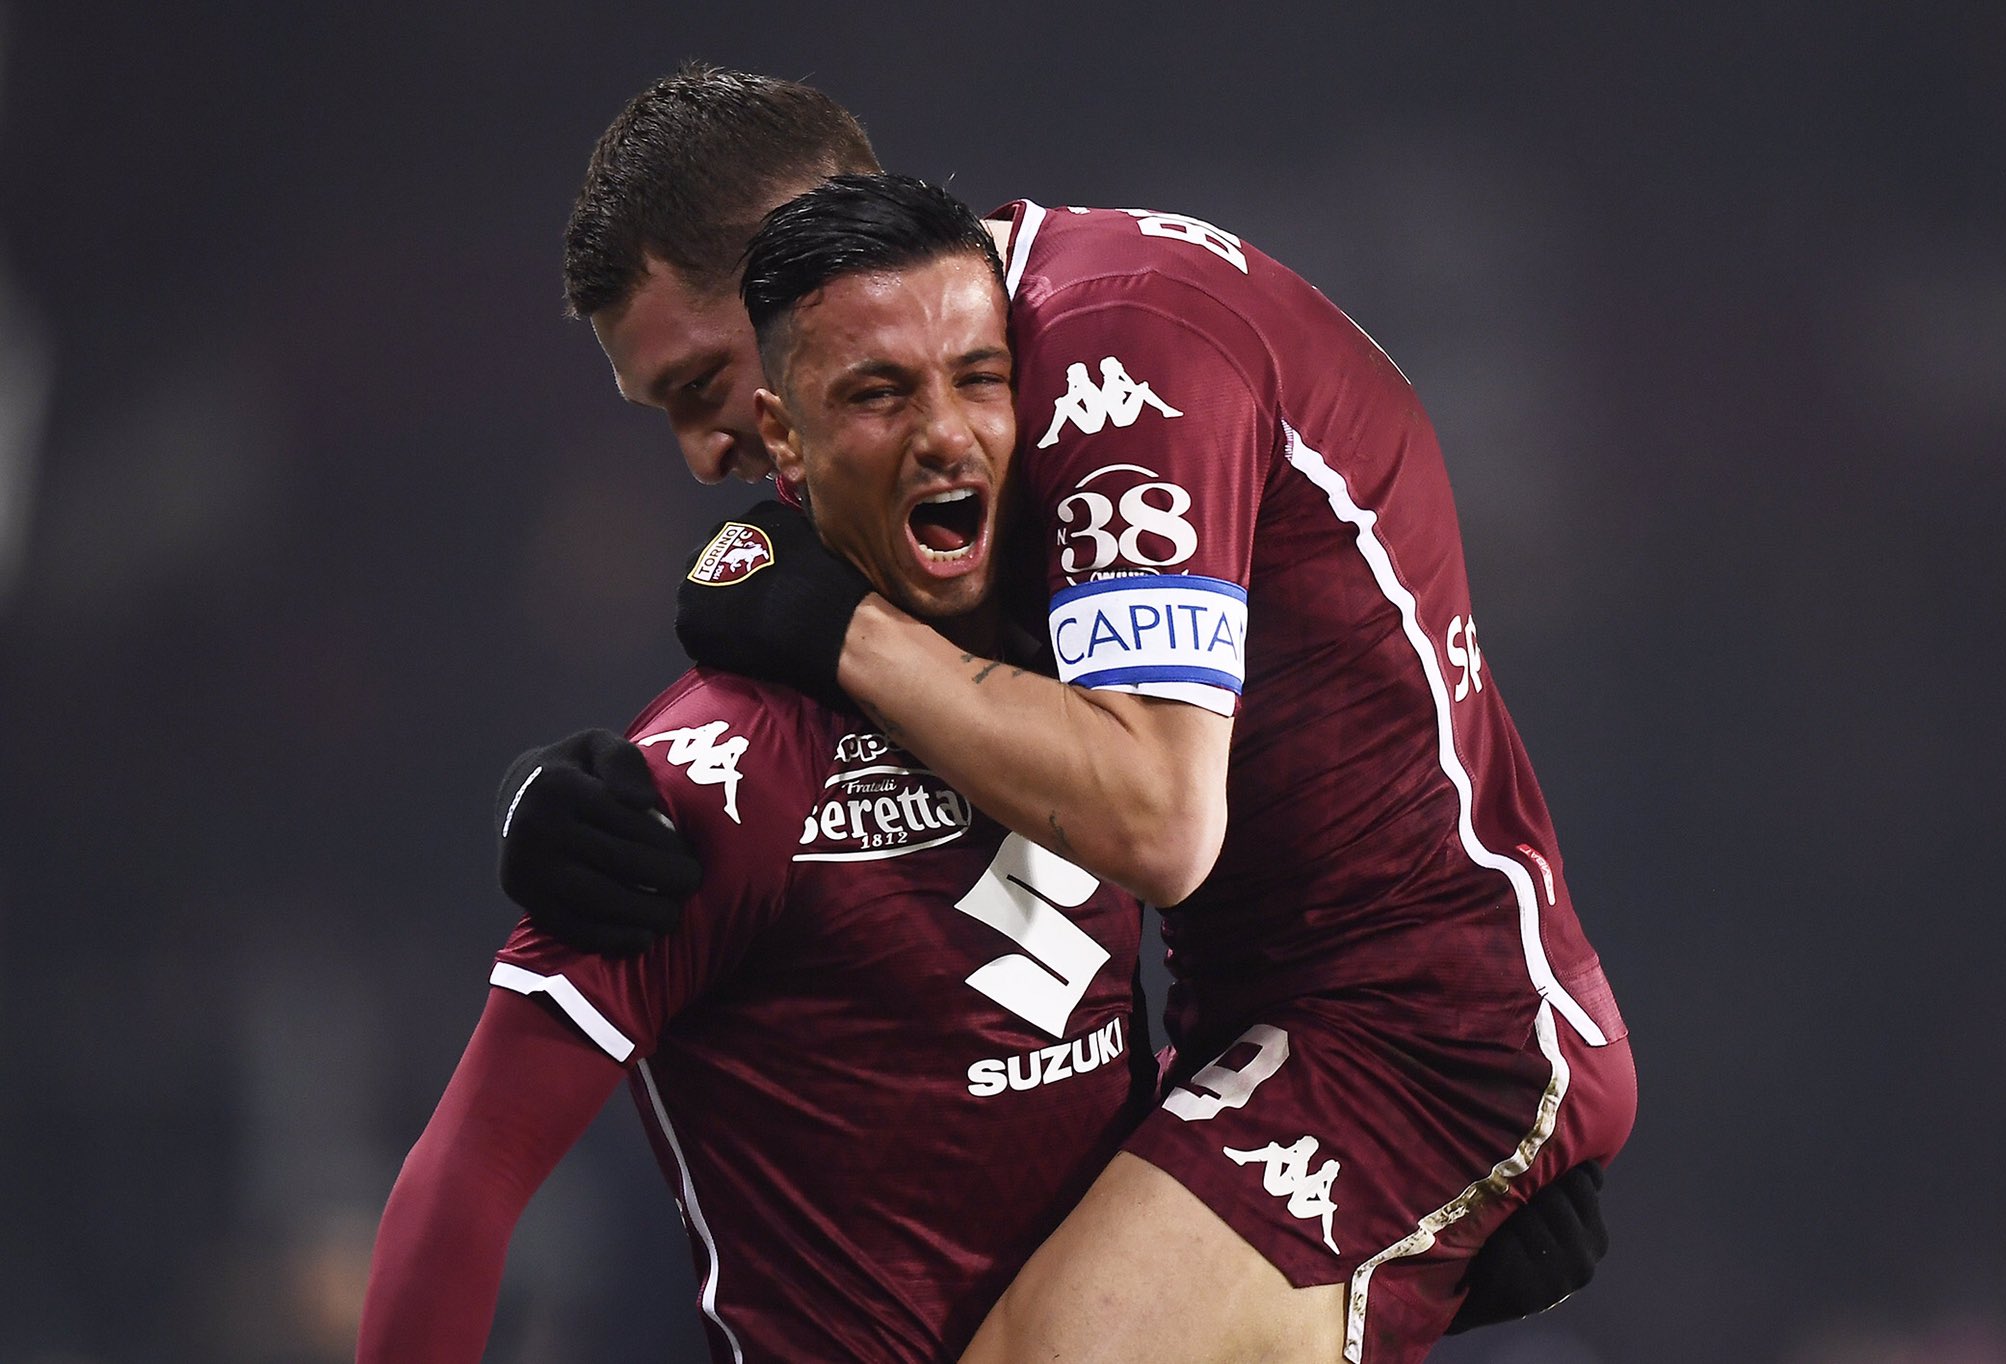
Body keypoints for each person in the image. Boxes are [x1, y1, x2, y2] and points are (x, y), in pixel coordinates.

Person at [501, 64, 1631, 1363]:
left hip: (1418, 1032)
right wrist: (571, 803)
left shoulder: (1115, 347)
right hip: (1253, 1028)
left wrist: (838, 626)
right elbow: (831, 715)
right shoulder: (971, 394)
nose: (706, 452)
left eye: (702, 383)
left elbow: (1156, 816)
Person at [359, 178, 1154, 1363]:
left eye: (978, 377)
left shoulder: (1123, 657)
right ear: (788, 429)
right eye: (877, 392)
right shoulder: (715, 776)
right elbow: (468, 1172)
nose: (944, 431)